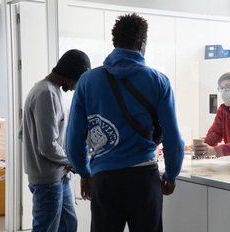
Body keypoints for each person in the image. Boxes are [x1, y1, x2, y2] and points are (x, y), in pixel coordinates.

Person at [65, 13, 184, 232]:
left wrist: (84, 172)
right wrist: (171, 174)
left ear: (115, 42)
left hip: (104, 179)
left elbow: (74, 138)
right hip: (144, 179)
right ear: (141, 43)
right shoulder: (158, 81)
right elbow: (173, 137)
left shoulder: (87, 81)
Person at [18, 49, 91, 232]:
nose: (76, 87)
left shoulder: (51, 90)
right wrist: (71, 161)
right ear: (71, 73)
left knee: (69, 225)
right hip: (47, 180)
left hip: (57, 175)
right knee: (46, 228)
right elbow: (48, 146)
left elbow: (22, 134)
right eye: (77, 81)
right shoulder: (45, 94)